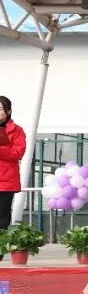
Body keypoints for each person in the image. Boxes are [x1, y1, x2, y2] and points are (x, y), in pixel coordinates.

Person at [0, 96, 27, 251]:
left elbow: (18, 153)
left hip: (6, 180)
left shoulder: (17, 131)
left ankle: (1, 249)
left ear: (8, 111)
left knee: (2, 216)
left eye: (0, 108)